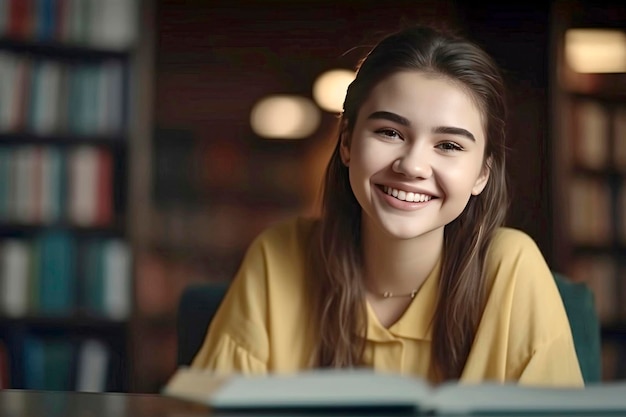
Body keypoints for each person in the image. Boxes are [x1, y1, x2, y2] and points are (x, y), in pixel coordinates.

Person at [191, 23, 584, 387]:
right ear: (346, 143)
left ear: (482, 173)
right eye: (389, 132)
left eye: (448, 145)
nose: (412, 165)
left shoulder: (512, 268)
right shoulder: (278, 257)